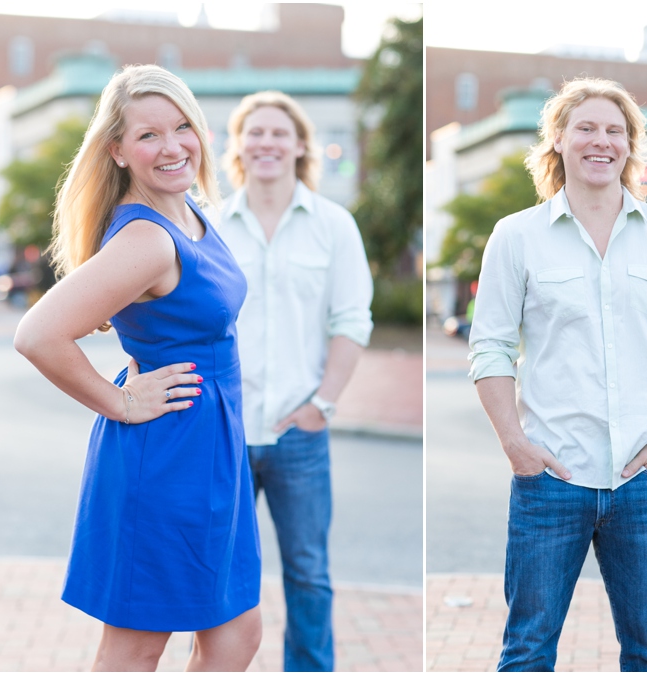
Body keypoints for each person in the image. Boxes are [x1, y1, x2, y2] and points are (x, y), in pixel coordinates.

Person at [14, 64, 262, 671]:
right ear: (118, 150)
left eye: (183, 127)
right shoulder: (146, 238)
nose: (172, 145)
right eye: (148, 135)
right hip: (166, 457)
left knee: (235, 635)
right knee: (136, 647)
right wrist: (120, 400)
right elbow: (38, 334)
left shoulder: (189, 210)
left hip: (211, 450)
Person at [469, 77, 647, 671]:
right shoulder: (516, 236)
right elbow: (491, 348)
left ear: (630, 146)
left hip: (643, 483)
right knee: (526, 652)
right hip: (551, 479)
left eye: (614, 130)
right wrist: (515, 445)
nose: (600, 141)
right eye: (586, 128)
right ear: (558, 139)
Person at [216, 91, 373, 672]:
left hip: (299, 433)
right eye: (253, 132)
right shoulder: (208, 226)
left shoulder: (334, 225)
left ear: (301, 145)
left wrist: (323, 403)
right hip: (223, 432)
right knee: (216, 573)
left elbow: (353, 319)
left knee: (308, 571)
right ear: (237, 146)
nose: (266, 143)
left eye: (278, 133)